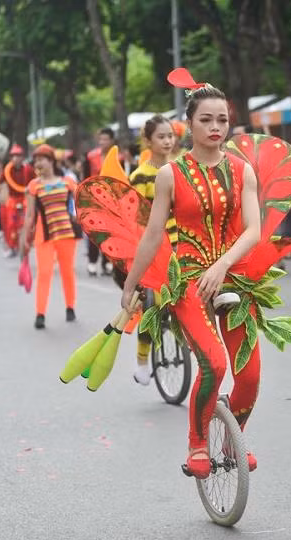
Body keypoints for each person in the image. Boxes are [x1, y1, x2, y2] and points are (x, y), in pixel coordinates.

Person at [109, 68, 291, 478]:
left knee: (250, 375)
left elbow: (254, 229)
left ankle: (231, 440)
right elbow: (152, 235)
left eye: (222, 119)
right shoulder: (170, 175)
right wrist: (131, 284)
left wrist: (223, 265)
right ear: (189, 124)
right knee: (215, 365)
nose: (215, 127)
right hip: (189, 279)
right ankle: (198, 442)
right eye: (206, 119)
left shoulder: (242, 171)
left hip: (234, 276)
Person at [123, 115, 177, 385]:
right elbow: (134, 220)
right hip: (153, 251)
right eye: (161, 136)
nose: (167, 141)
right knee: (152, 306)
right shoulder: (139, 176)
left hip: (181, 247)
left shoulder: (181, 169)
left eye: (170, 136)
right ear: (148, 141)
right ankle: (142, 360)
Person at [21, 144, 78, 329]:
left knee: (67, 271)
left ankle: (70, 307)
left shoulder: (68, 182)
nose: (38, 163)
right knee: (44, 273)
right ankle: (40, 314)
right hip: (44, 236)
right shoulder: (34, 185)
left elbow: (82, 203)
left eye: (41, 159)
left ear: (51, 161)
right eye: (36, 160)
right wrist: (25, 239)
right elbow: (30, 215)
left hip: (66, 233)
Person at [84, 129, 116, 276]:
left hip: (111, 201)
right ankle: (92, 261)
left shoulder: (117, 157)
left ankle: (107, 262)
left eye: (106, 139)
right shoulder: (91, 157)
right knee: (94, 230)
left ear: (112, 141)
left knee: (110, 232)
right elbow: (85, 178)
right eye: (101, 139)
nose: (102, 142)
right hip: (94, 199)